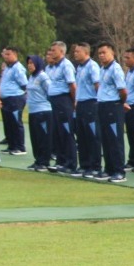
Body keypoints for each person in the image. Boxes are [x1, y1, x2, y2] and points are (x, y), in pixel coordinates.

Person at [94, 43, 128, 183]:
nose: (101, 55)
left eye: (104, 52)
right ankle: (109, 169)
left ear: (112, 53)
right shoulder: (102, 69)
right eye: (100, 53)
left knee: (115, 140)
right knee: (106, 139)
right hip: (102, 106)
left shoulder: (116, 69)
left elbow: (123, 91)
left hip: (113, 107)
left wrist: (119, 103)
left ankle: (119, 171)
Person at [45, 41, 78, 174]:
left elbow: (72, 86)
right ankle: (61, 161)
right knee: (57, 132)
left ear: (62, 52)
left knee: (66, 132)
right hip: (55, 101)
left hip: (64, 101)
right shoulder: (54, 67)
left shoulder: (66, 65)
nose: (51, 52)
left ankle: (70, 163)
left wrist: (73, 102)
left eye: (54, 50)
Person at [73, 42, 102, 178]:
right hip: (81, 104)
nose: (75, 53)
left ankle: (95, 166)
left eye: (78, 51)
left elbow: (97, 85)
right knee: (82, 136)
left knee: (92, 136)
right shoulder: (79, 67)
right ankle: (84, 165)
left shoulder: (93, 66)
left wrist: (97, 101)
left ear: (86, 53)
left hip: (91, 103)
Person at [25, 55, 54, 171]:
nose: (29, 65)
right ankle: (38, 160)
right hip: (33, 111)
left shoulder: (43, 77)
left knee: (44, 137)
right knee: (35, 138)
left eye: (32, 63)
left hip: (43, 111)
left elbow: (50, 92)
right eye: (28, 63)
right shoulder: (31, 77)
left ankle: (44, 161)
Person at [0, 46, 28, 155]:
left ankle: (20, 147)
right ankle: (12, 145)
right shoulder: (7, 68)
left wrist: (19, 96)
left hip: (15, 99)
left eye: (8, 54)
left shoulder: (18, 68)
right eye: (5, 54)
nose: (5, 57)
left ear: (15, 55)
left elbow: (24, 84)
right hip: (6, 99)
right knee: (8, 123)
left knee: (16, 122)